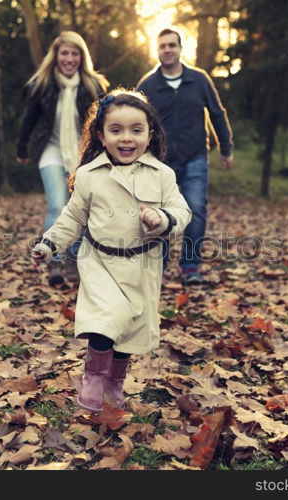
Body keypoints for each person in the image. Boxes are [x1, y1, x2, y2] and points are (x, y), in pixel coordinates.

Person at [31, 90, 191, 412]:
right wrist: (50, 244)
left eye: (136, 130)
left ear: (150, 135)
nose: (126, 138)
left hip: (142, 264)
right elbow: (73, 216)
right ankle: (94, 375)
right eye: (116, 130)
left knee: (130, 329)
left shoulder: (162, 175)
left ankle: (115, 381)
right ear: (101, 136)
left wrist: (162, 218)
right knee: (107, 319)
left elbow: (182, 211)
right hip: (100, 261)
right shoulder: (90, 175)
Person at [137, 28, 234, 285]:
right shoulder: (147, 85)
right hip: (160, 161)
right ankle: (160, 263)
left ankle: (191, 267)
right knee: (159, 215)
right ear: (157, 51)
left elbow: (217, 114)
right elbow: (135, 122)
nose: (167, 50)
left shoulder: (199, 80)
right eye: (162, 46)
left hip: (195, 157)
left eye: (172, 45)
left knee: (196, 210)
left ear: (181, 49)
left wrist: (226, 147)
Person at [16, 31, 108, 286]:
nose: (69, 58)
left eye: (74, 53)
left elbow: (103, 121)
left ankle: (73, 259)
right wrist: (21, 148)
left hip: (84, 152)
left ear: (82, 57)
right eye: (64, 53)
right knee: (57, 205)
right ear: (55, 56)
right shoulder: (42, 84)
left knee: (80, 207)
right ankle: (54, 261)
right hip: (51, 149)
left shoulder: (94, 85)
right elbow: (29, 119)